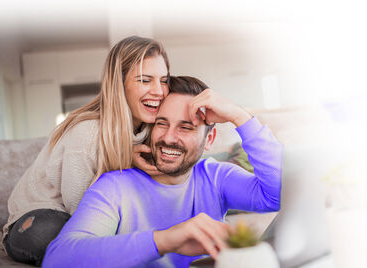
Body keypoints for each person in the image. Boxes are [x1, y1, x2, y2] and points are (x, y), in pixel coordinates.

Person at [42, 76, 284, 268]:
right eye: (161, 123)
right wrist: (166, 239)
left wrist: (238, 116)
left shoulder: (216, 176)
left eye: (186, 127)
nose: (168, 138)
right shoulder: (114, 187)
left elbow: (276, 195)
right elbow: (57, 261)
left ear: (209, 139)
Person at [1, 36, 170, 266]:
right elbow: (82, 214)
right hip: (36, 218)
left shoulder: (151, 130)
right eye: (145, 80)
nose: (159, 90)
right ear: (119, 84)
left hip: (93, 220)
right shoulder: (88, 132)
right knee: (54, 233)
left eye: (164, 80)